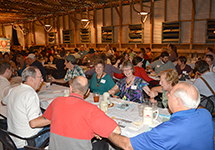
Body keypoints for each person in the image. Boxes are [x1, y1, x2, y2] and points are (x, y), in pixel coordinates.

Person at [108, 82, 214, 150]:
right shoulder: (206, 114)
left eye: (170, 94)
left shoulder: (167, 131)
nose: (167, 95)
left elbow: (128, 145)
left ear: (178, 101)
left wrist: (107, 132)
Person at [42, 76, 121, 150]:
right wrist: (95, 131)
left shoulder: (56, 101)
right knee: (105, 144)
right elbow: (117, 130)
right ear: (87, 92)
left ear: (70, 88)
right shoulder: (91, 109)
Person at [3, 66, 51, 149]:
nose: (42, 80)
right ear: (31, 79)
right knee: (58, 127)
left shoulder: (14, 89)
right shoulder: (31, 94)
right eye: (40, 77)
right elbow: (33, 123)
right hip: (27, 141)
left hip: (12, 138)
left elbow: (3, 102)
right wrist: (56, 118)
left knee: (45, 114)